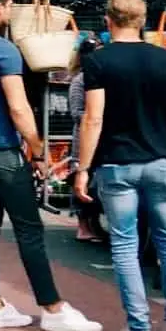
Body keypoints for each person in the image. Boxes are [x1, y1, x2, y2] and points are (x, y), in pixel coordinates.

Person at [0, 0, 101, 331]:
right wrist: (37, 147)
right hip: (2, 148)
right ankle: (52, 307)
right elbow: (17, 106)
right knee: (29, 229)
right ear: (1, 7)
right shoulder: (4, 51)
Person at [75, 0, 166, 331]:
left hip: (117, 164)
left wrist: (82, 168)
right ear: (142, 20)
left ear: (108, 21)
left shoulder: (98, 61)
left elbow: (93, 118)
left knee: (125, 245)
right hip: (160, 162)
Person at [59, 37, 105, 242]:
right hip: (84, 137)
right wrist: (94, 116)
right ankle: (83, 225)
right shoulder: (79, 80)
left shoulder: (100, 76)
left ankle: (93, 223)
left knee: (94, 181)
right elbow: (76, 113)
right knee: (82, 180)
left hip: (101, 134)